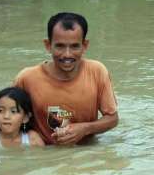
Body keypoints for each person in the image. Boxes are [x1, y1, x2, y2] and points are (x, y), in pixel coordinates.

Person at [13, 12, 118, 145]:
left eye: (75, 46)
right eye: (60, 46)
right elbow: (2, 118)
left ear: (84, 46)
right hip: (44, 154)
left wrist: (84, 129)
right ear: (48, 45)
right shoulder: (26, 78)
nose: (67, 54)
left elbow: (112, 119)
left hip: (86, 153)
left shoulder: (97, 72)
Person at [0, 87, 45, 151]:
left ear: (25, 117)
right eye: (0, 110)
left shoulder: (32, 138)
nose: (6, 116)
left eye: (13, 111)